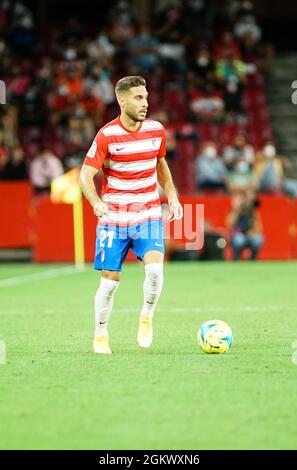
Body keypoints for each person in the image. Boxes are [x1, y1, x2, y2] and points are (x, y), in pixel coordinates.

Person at [79, 75, 183, 355]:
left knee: (155, 269)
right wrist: (96, 201)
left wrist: (171, 195)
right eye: (138, 98)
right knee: (110, 283)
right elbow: (86, 175)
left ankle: (146, 317)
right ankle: (101, 333)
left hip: (147, 212)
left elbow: (161, 165)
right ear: (121, 100)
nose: (145, 103)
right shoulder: (106, 135)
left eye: (146, 97)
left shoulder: (156, 130)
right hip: (114, 218)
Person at [227, 192, 264, 260]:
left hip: (250, 235)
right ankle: (236, 259)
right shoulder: (234, 211)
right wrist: (237, 209)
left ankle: (253, 259)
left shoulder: (252, 211)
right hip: (238, 234)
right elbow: (229, 224)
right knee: (239, 240)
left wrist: (253, 232)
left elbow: (259, 226)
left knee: (258, 239)